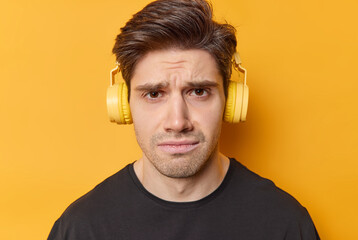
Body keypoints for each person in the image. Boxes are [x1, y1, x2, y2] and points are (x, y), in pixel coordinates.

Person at [48, 0, 320, 239]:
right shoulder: (80, 228)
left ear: (231, 101)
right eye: (154, 94)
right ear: (124, 105)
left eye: (198, 91)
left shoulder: (285, 224)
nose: (177, 122)